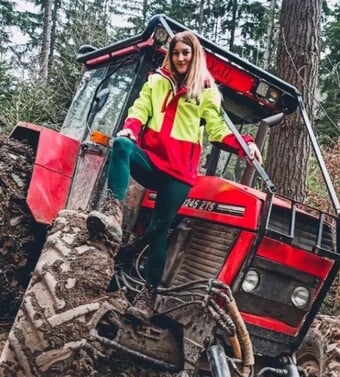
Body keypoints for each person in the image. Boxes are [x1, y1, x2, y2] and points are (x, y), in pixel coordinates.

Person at [87, 30, 262, 320]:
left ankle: (148, 295)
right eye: (177, 52)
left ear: (194, 57)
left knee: (158, 229)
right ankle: (113, 213)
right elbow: (140, 108)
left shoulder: (206, 90)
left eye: (186, 53)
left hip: (179, 175)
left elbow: (217, 130)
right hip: (152, 162)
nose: (181, 58)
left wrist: (246, 146)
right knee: (121, 145)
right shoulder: (157, 82)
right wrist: (131, 127)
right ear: (171, 54)